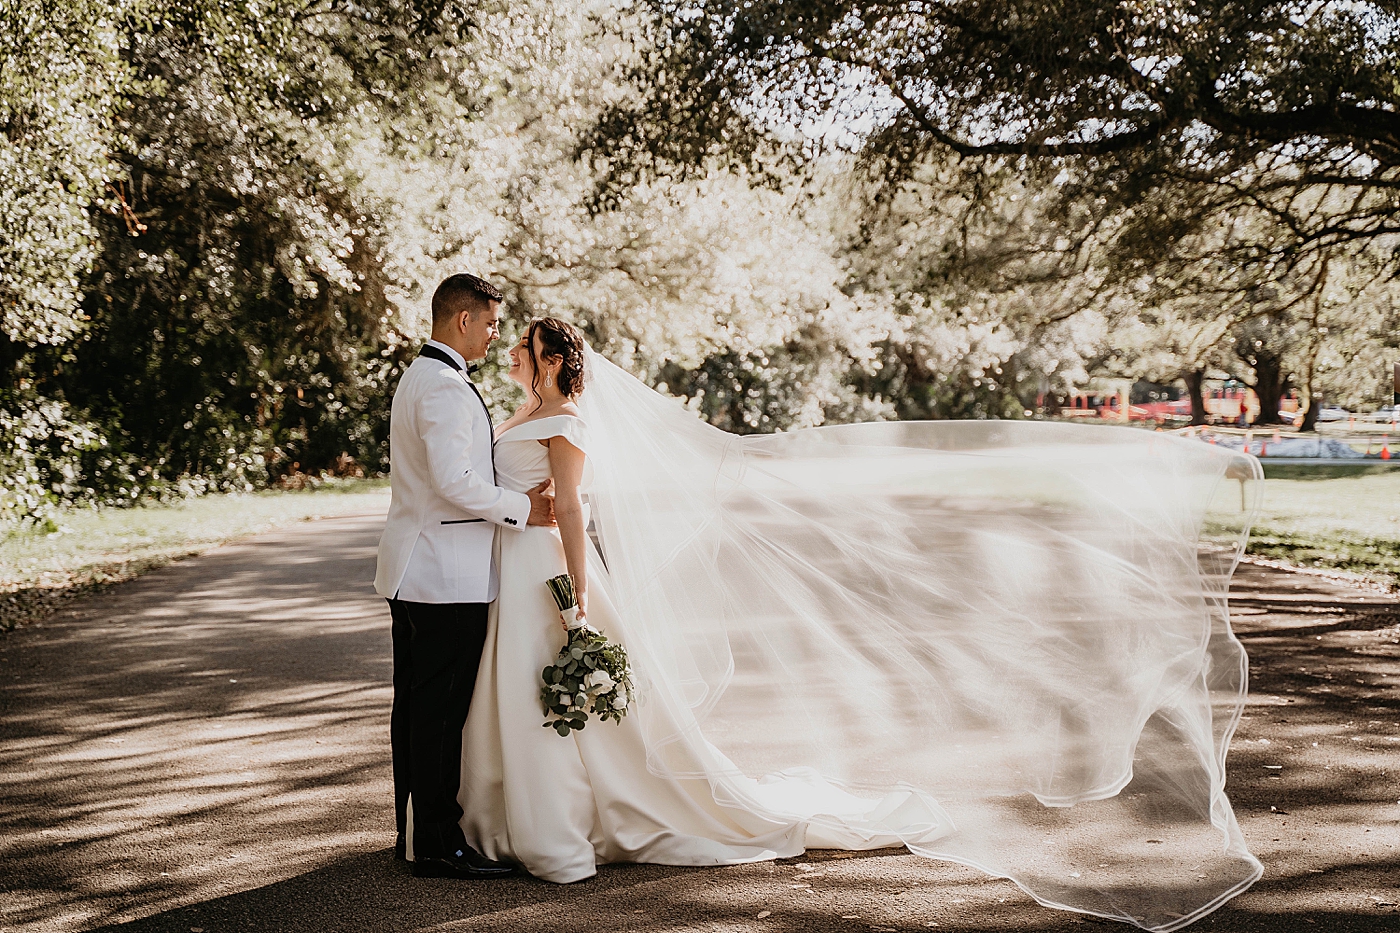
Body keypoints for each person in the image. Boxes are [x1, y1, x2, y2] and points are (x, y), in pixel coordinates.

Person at [456, 315, 1265, 932]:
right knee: (527, 697)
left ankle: (560, 825)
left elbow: (571, 511)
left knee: (568, 699)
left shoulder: (565, 425)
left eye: (526, 348)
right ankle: (524, 814)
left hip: (551, 575)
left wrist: (581, 598)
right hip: (513, 571)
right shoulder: (522, 413)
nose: (516, 356)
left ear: (556, 360)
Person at [373, 273, 555, 880]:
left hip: (422, 570)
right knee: (439, 712)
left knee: (418, 709)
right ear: (463, 320)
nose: (497, 334)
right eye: (492, 323)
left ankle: (414, 834)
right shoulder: (445, 388)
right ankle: (438, 844)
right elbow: (453, 481)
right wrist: (523, 508)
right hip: (442, 576)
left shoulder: (422, 377)